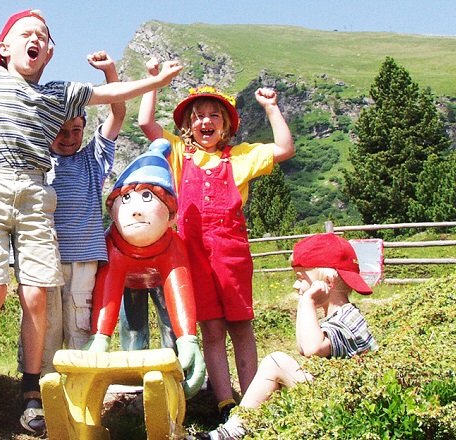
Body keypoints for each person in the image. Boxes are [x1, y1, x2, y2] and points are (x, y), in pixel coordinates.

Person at [0, 1, 182, 433]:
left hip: (35, 194)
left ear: (48, 55)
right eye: (26, 33)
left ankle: (32, 389)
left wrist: (154, 81)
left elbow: (111, 97)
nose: (35, 39)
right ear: (3, 46)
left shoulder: (59, 94)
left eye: (43, 37)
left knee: (37, 295)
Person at [138, 58, 295, 419]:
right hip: (193, 255)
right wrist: (153, 81)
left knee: (241, 327)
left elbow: (285, 148)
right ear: (188, 125)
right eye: (198, 116)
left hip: (232, 255)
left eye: (214, 116)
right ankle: (225, 401)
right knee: (210, 328)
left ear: (225, 126)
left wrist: (271, 108)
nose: (205, 121)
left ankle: (256, 399)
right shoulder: (179, 153)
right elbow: (147, 122)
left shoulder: (239, 158)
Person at [204, 233, 378, 439]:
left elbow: (311, 349)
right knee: (277, 363)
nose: (296, 286)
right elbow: (307, 348)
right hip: (344, 397)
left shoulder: (347, 319)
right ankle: (241, 425)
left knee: (275, 362)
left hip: (347, 406)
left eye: (300, 278)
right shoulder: (345, 315)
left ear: (327, 282)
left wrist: (307, 302)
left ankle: (230, 432)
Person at [17, 49, 124, 376]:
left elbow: (117, 115)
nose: (68, 138)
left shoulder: (91, 160)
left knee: (79, 323)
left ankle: (82, 385)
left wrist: (110, 72)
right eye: (60, 130)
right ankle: (40, 386)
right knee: (44, 324)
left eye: (76, 130)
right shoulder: (36, 164)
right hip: (42, 258)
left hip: (83, 261)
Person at [86, 139, 206, 398]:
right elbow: (108, 291)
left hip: (160, 279)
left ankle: (175, 369)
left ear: (171, 214)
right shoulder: (113, 244)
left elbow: (179, 289)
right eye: (126, 198)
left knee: (170, 324)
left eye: (148, 197)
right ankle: (134, 375)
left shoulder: (173, 245)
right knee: (132, 326)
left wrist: (189, 338)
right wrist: (100, 337)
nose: (136, 211)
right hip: (129, 282)